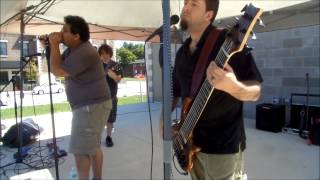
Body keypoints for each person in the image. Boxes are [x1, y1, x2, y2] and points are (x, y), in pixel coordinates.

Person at [161, 0, 263, 179]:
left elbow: (255, 91)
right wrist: (164, 118)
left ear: (209, 15)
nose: (185, 7)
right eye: (185, 3)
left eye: (194, 4)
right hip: (189, 144)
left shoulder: (229, 42)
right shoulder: (181, 53)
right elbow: (175, 91)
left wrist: (233, 86)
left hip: (223, 149)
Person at [43, 15, 112, 180]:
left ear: (77, 35)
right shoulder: (73, 50)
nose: (60, 33)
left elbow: (57, 71)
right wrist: (50, 46)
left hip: (91, 107)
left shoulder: (85, 52)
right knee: (92, 147)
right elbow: (56, 63)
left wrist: (54, 43)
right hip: (92, 105)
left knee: (80, 150)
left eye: (65, 31)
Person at [98, 44, 122, 147]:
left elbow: (118, 79)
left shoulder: (116, 65)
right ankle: (97, 139)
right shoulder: (96, 65)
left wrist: (111, 74)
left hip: (111, 97)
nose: (104, 55)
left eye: (106, 53)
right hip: (98, 98)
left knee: (110, 119)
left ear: (110, 54)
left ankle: (109, 137)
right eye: (102, 53)